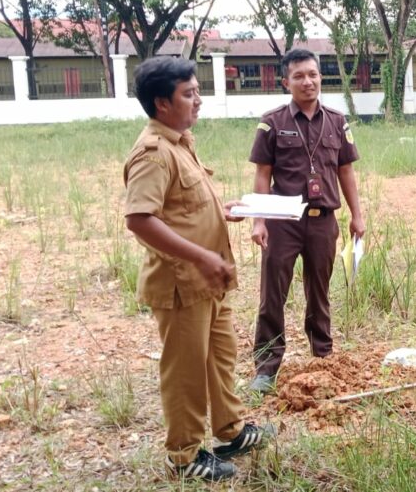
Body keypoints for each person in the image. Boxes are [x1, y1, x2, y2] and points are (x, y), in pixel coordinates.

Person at [123, 56, 273, 481]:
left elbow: (180, 206)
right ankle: (184, 456)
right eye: (189, 94)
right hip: (182, 282)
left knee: (220, 358)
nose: (199, 101)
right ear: (161, 103)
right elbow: (140, 219)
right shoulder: (152, 153)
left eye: (197, 92)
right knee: (186, 372)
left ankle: (231, 429)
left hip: (208, 282)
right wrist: (201, 256)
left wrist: (220, 211)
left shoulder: (179, 142)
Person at [248, 48, 365, 392]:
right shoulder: (272, 122)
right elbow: (262, 174)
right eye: (298, 76)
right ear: (286, 82)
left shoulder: (337, 121)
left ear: (320, 77)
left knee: (320, 293)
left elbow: (346, 172)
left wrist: (358, 216)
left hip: (323, 220)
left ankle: (323, 358)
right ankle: (266, 368)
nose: (307, 81)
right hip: (282, 222)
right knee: (273, 294)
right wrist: (259, 220)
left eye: (313, 74)